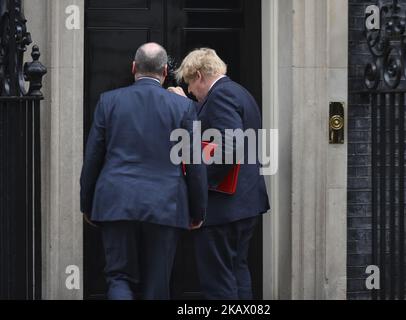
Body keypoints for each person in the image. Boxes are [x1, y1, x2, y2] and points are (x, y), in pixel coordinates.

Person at [80, 43, 208, 300]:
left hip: (116, 200)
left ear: (134, 68)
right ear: (164, 71)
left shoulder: (109, 101)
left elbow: (92, 157)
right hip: (165, 204)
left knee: (119, 277)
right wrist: (198, 210)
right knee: (157, 284)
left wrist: (88, 203)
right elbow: (195, 164)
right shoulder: (183, 108)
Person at [170, 48, 270, 299]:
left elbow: (229, 146)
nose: (191, 90)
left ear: (201, 76)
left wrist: (200, 185)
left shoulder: (222, 95)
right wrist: (186, 104)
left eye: (191, 83)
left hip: (223, 208)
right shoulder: (239, 92)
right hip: (245, 205)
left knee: (218, 282)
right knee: (238, 272)